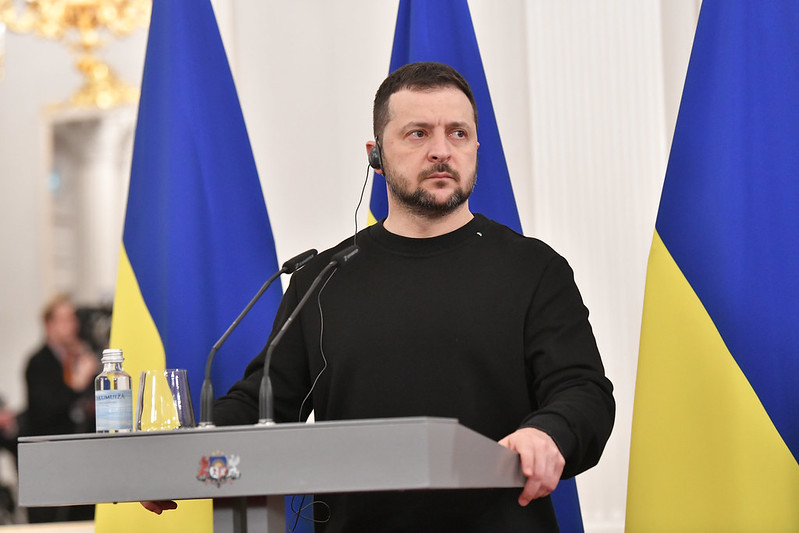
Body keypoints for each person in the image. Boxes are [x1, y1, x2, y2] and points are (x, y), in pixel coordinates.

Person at [146, 62, 615, 532]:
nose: (441, 150)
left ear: (476, 147)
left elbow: (583, 392)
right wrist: (174, 456)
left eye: (458, 133)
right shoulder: (322, 279)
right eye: (417, 134)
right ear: (376, 155)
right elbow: (263, 404)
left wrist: (547, 433)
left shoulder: (533, 269)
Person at [22, 294, 100, 523]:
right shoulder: (38, 363)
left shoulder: (83, 358)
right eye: (64, 319)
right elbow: (44, 410)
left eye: (73, 319)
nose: (71, 325)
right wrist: (78, 383)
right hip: (49, 463)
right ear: (49, 324)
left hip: (83, 462)